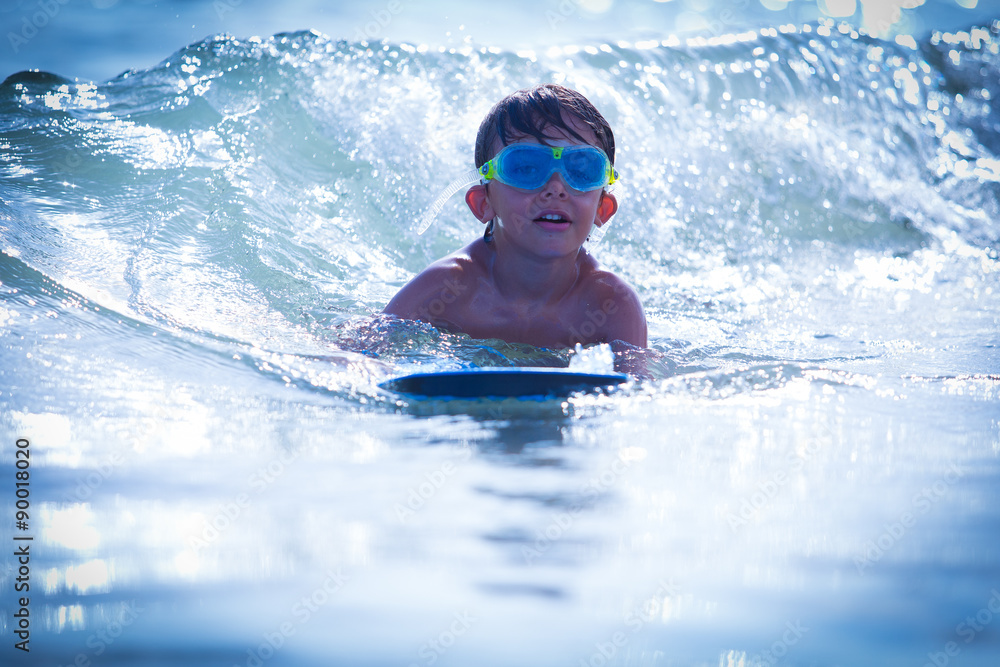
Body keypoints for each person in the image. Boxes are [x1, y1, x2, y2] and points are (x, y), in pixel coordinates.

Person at [384, 83, 646, 359]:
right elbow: (360, 354)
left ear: (602, 209)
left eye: (581, 169)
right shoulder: (446, 290)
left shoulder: (611, 305)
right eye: (526, 168)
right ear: (483, 203)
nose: (556, 187)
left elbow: (637, 391)